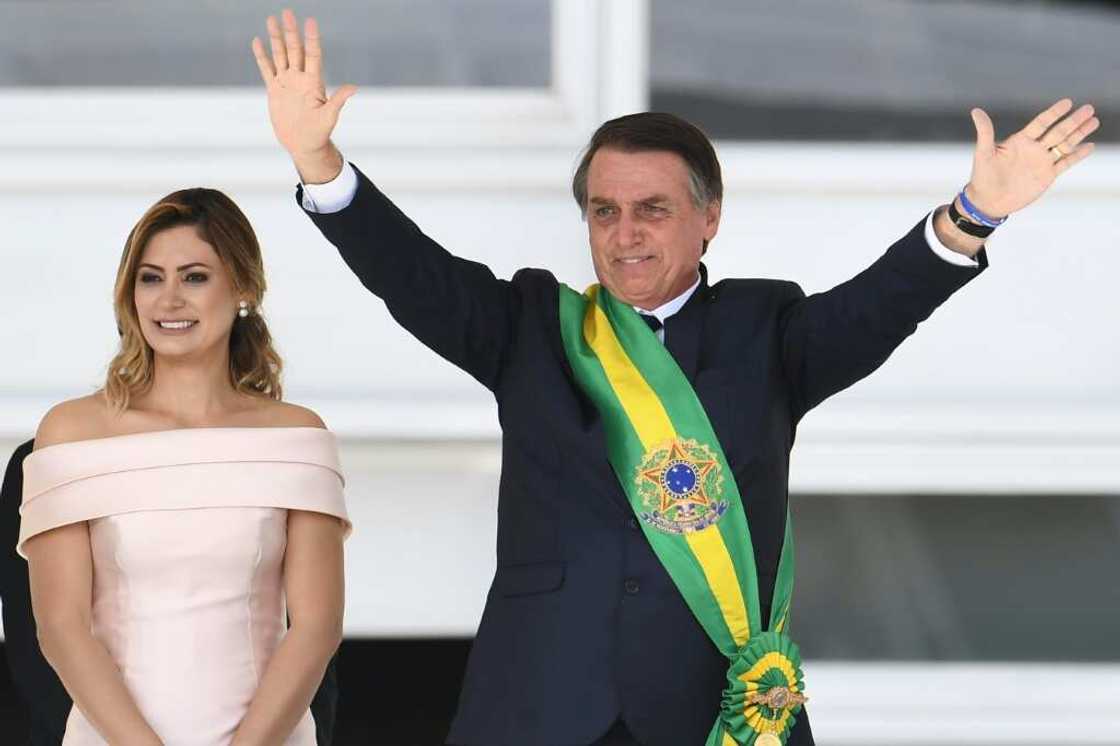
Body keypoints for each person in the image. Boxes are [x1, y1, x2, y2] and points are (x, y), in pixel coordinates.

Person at [252, 11, 1098, 746]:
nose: (625, 235)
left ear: (709, 218)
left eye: (653, 209)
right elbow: (413, 275)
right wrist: (321, 163)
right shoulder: (533, 329)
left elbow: (881, 306)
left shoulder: (767, 332)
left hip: (712, 709)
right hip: (540, 705)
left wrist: (975, 212)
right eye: (604, 211)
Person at [17, 188, 351, 746]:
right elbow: (61, 628)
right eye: (151, 278)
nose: (168, 299)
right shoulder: (71, 433)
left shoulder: (296, 436)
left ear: (243, 288)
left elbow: (316, 628)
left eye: (194, 277)